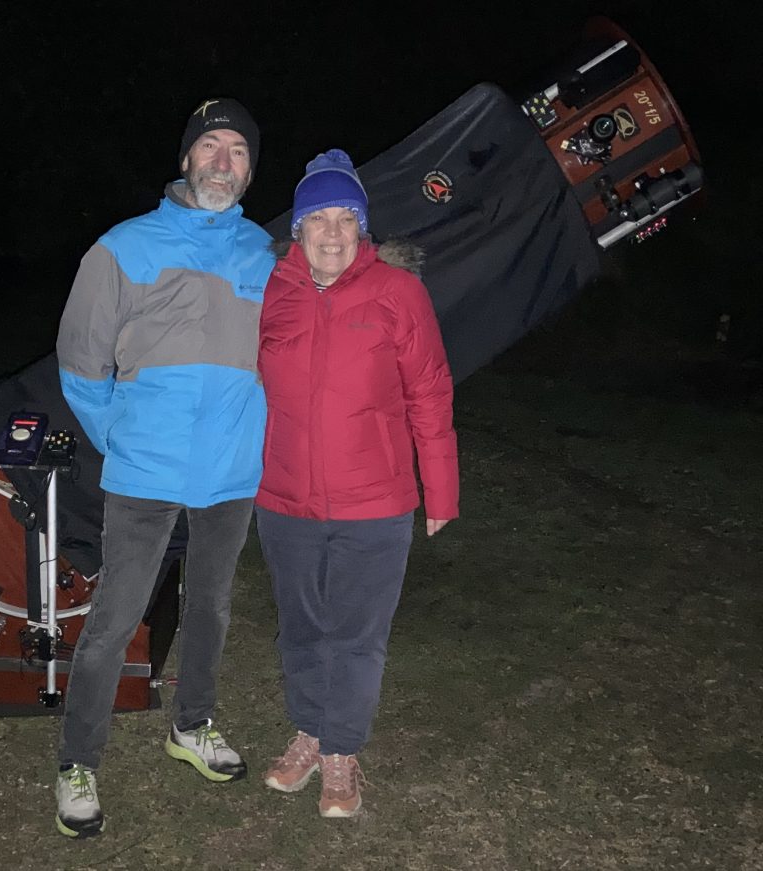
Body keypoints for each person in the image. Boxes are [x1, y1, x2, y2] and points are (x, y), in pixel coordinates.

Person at [53, 98, 274, 838]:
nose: (222, 161)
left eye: (237, 151)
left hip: (232, 473)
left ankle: (193, 723)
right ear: (187, 158)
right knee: (116, 617)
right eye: (211, 145)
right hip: (145, 469)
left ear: (248, 171)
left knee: (211, 608)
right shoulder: (124, 247)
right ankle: (78, 761)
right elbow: (82, 360)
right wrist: (121, 432)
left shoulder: (262, 256)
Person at [255, 149, 459, 818]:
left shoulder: (399, 294)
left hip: (375, 503)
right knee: (302, 628)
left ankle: (342, 751)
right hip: (285, 500)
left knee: (356, 634)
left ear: (363, 227)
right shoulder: (270, 291)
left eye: (348, 218)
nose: (334, 232)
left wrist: (442, 488)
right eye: (320, 218)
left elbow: (429, 392)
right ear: (299, 228)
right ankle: (309, 732)